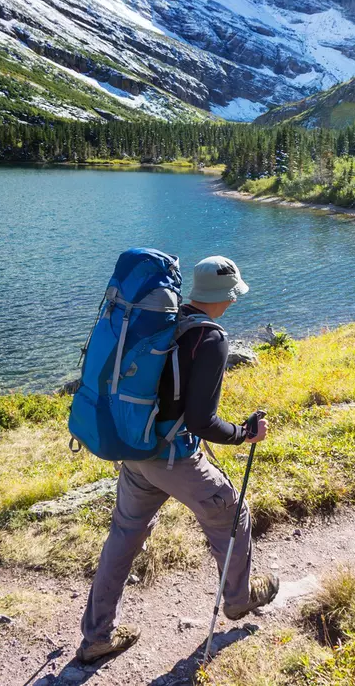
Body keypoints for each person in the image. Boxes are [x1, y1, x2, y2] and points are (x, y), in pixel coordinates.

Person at [77, 255, 279, 664]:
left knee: (124, 536)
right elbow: (203, 422)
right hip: (175, 460)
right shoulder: (211, 338)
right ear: (224, 295)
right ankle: (238, 599)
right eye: (233, 295)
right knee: (232, 514)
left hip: (136, 451)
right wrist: (244, 434)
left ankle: (96, 636)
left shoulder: (168, 320)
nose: (234, 302)